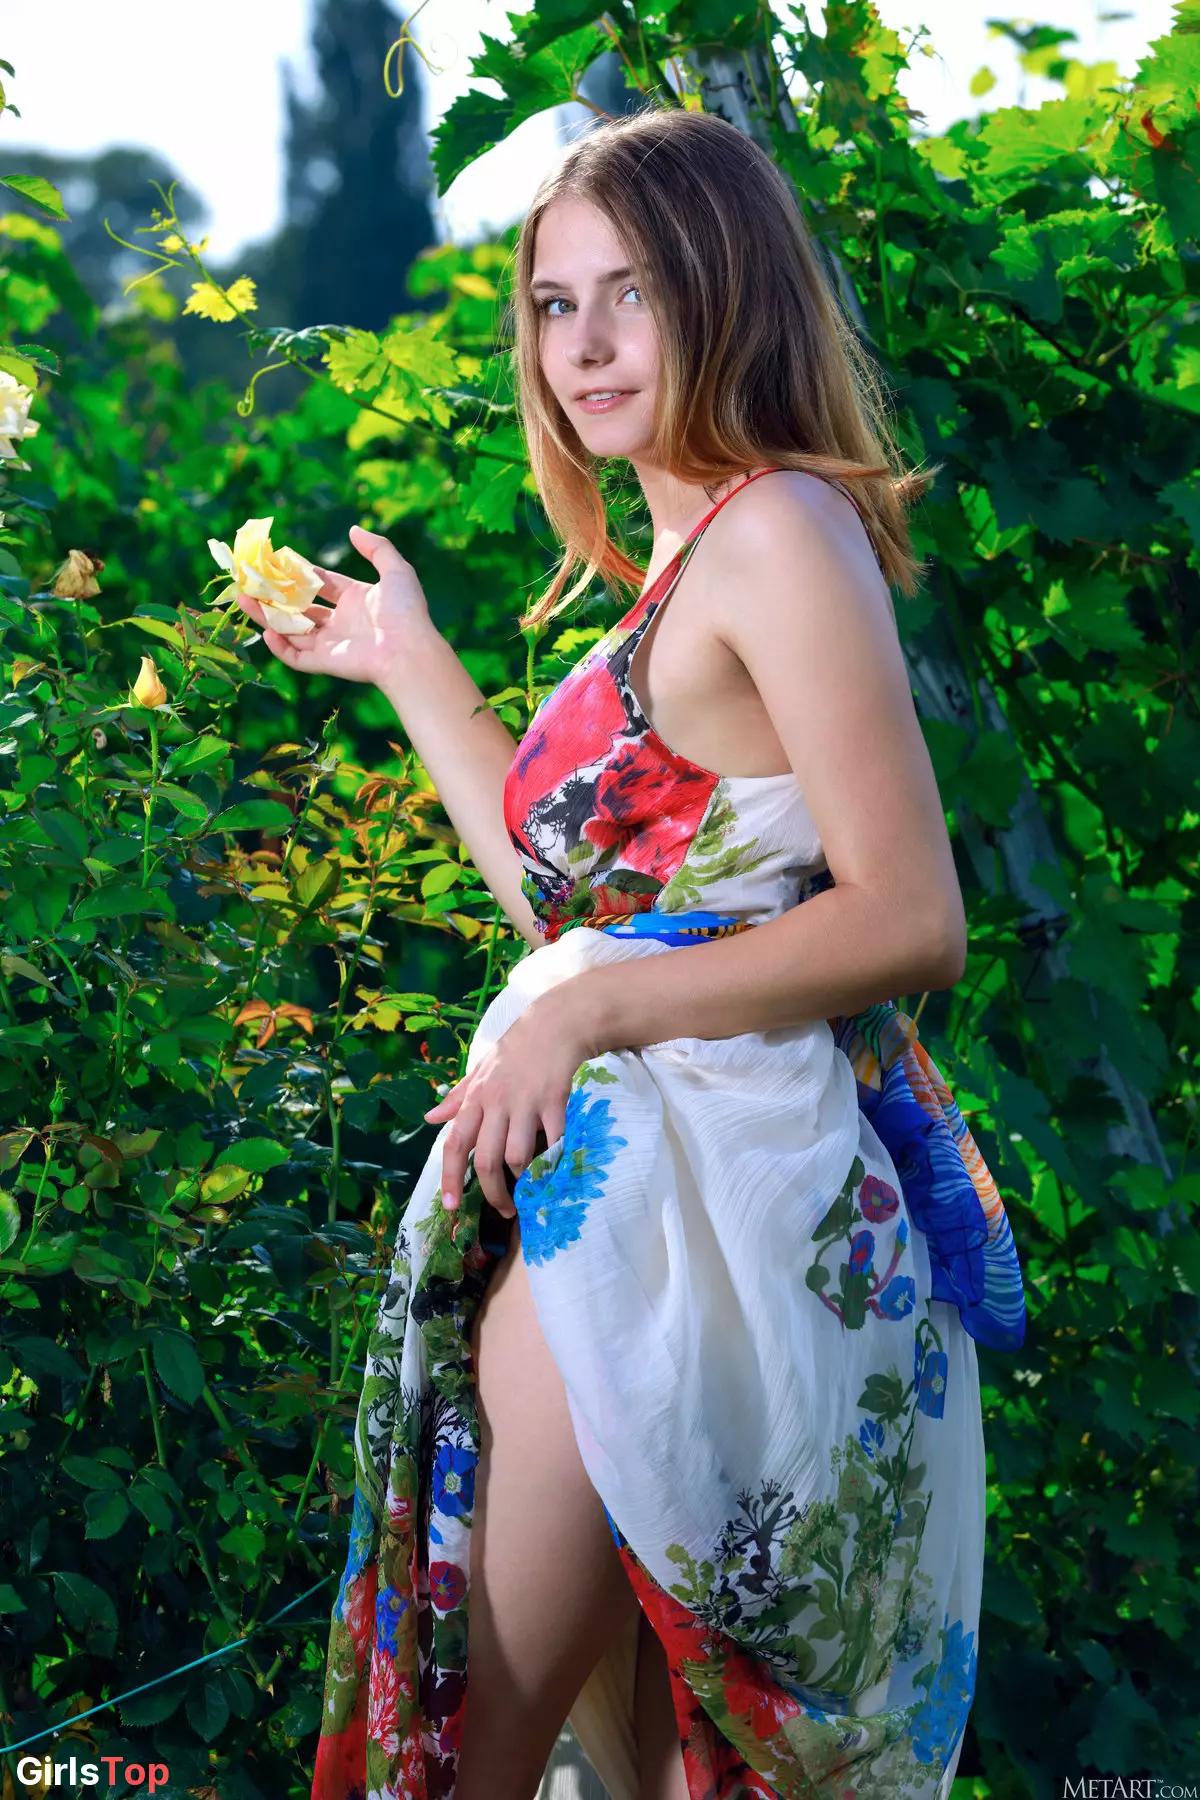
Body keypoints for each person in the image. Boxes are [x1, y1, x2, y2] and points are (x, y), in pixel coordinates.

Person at [234, 106, 1025, 1800]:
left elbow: (912, 917)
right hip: (654, 1189)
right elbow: (579, 911)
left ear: (729, 294)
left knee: (483, 1761)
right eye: (553, 303)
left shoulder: (776, 530)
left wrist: (585, 1017)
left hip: (717, 1211)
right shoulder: (680, 556)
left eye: (632, 295)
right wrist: (409, 665)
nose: (583, 346)